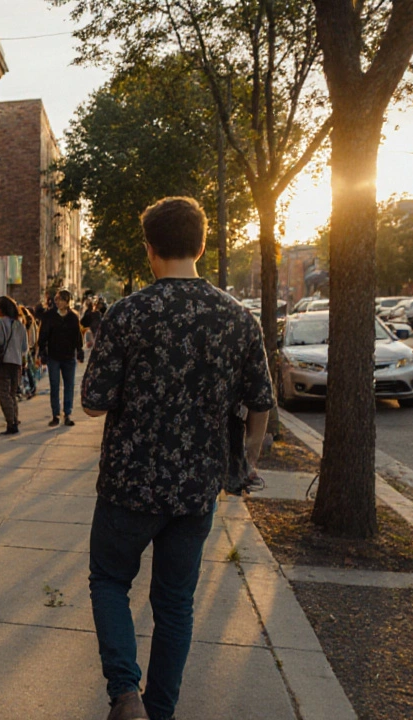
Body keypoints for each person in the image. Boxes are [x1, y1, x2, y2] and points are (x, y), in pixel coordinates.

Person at [80, 197, 273, 720]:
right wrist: (245, 460)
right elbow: (261, 401)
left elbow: (94, 402)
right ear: (202, 244)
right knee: (174, 604)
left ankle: (125, 694)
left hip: (128, 484)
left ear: (149, 250)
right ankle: (159, 710)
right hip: (196, 488)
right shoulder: (236, 318)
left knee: (110, 581)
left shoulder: (127, 314)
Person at [38, 289, 84, 427]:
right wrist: (42, 352)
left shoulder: (73, 317)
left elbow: (77, 335)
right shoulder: (49, 316)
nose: (57, 302)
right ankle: (55, 414)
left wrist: (79, 350)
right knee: (54, 386)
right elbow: (43, 335)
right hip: (54, 356)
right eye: (56, 299)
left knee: (69, 386)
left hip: (69, 356)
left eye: (60, 299)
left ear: (66, 301)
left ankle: (67, 413)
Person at [0, 296, 29, 434]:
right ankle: (14, 419)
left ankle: (11, 423)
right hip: (16, 363)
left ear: (1, 309)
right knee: (11, 393)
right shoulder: (20, 325)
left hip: (3, 363)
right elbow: (24, 348)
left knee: (3, 393)